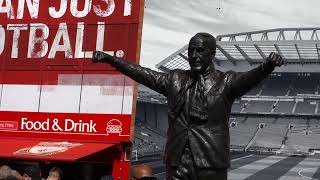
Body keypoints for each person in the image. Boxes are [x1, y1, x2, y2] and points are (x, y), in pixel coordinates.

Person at [92, 32, 284, 180]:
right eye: (191, 51)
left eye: (200, 51)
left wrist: (266, 67)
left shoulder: (226, 81)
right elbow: (143, 74)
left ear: (212, 54)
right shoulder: (175, 79)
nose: (194, 55)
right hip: (177, 162)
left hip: (210, 162)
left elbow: (247, 79)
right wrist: (112, 60)